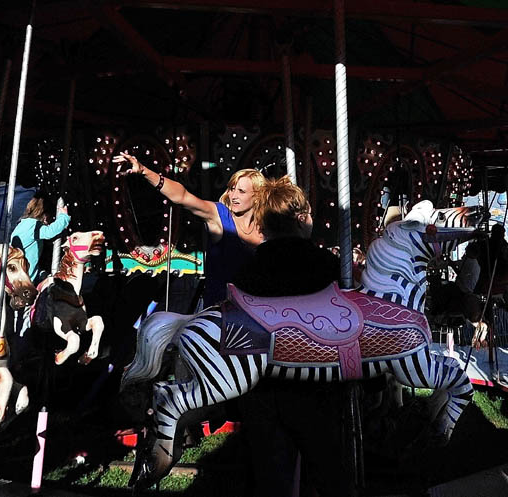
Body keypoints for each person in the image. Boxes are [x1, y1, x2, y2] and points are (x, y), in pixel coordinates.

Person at [234, 176, 353, 497]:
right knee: (328, 472)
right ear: (301, 219)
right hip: (314, 385)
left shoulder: (246, 271)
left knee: (270, 476)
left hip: (260, 386)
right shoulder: (329, 267)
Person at [113, 152, 264, 307]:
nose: (233, 195)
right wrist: (144, 171)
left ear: (258, 196)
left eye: (241, 191)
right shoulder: (219, 216)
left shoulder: (266, 227)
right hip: (221, 311)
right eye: (232, 189)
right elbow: (182, 196)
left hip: (258, 309)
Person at [10, 192, 70, 285]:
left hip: (21, 273)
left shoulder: (23, 224)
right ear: (45, 215)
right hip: (25, 277)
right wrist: (63, 217)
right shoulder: (32, 225)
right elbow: (49, 232)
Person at [433, 243, 482, 323]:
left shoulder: (468, 261)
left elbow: (455, 265)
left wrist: (448, 260)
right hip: (465, 289)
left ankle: (437, 308)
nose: (465, 253)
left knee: (443, 289)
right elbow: (459, 271)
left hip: (461, 289)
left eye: (466, 251)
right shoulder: (476, 265)